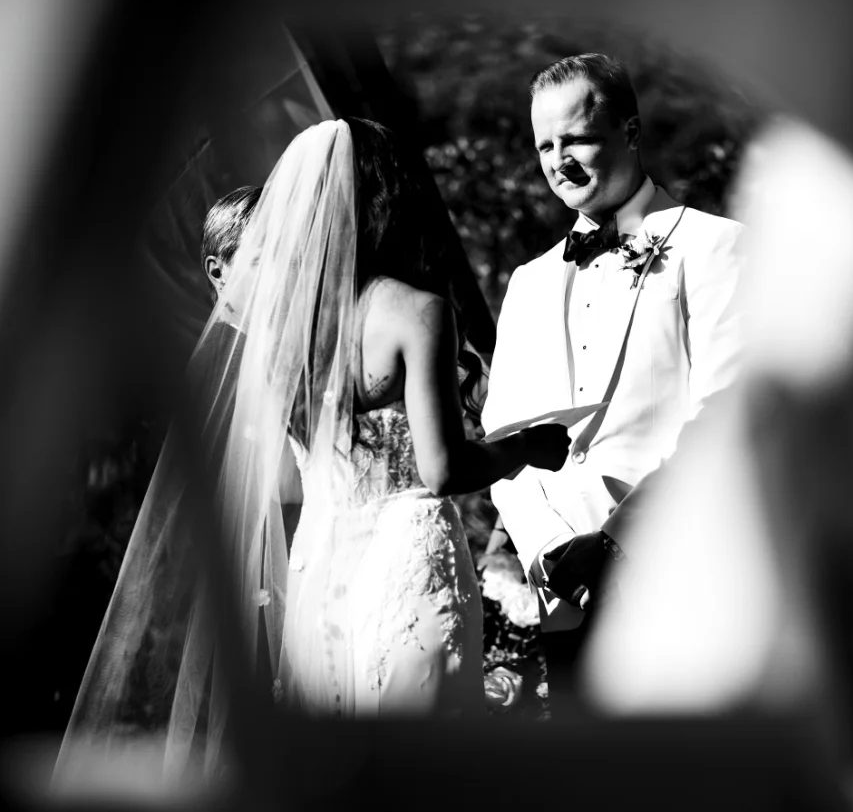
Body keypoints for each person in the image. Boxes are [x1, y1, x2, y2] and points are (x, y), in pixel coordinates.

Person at [57, 119, 569, 786]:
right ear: (387, 198)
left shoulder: (281, 336)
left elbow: (287, 480)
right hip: (409, 562)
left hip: (320, 571)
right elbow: (443, 471)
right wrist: (525, 447)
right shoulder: (416, 311)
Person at [481, 54, 744, 712]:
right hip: (563, 597)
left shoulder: (715, 247)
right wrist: (548, 550)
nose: (558, 159)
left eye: (575, 138)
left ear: (629, 130)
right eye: (545, 144)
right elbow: (502, 435)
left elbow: (726, 414)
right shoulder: (528, 281)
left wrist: (621, 542)